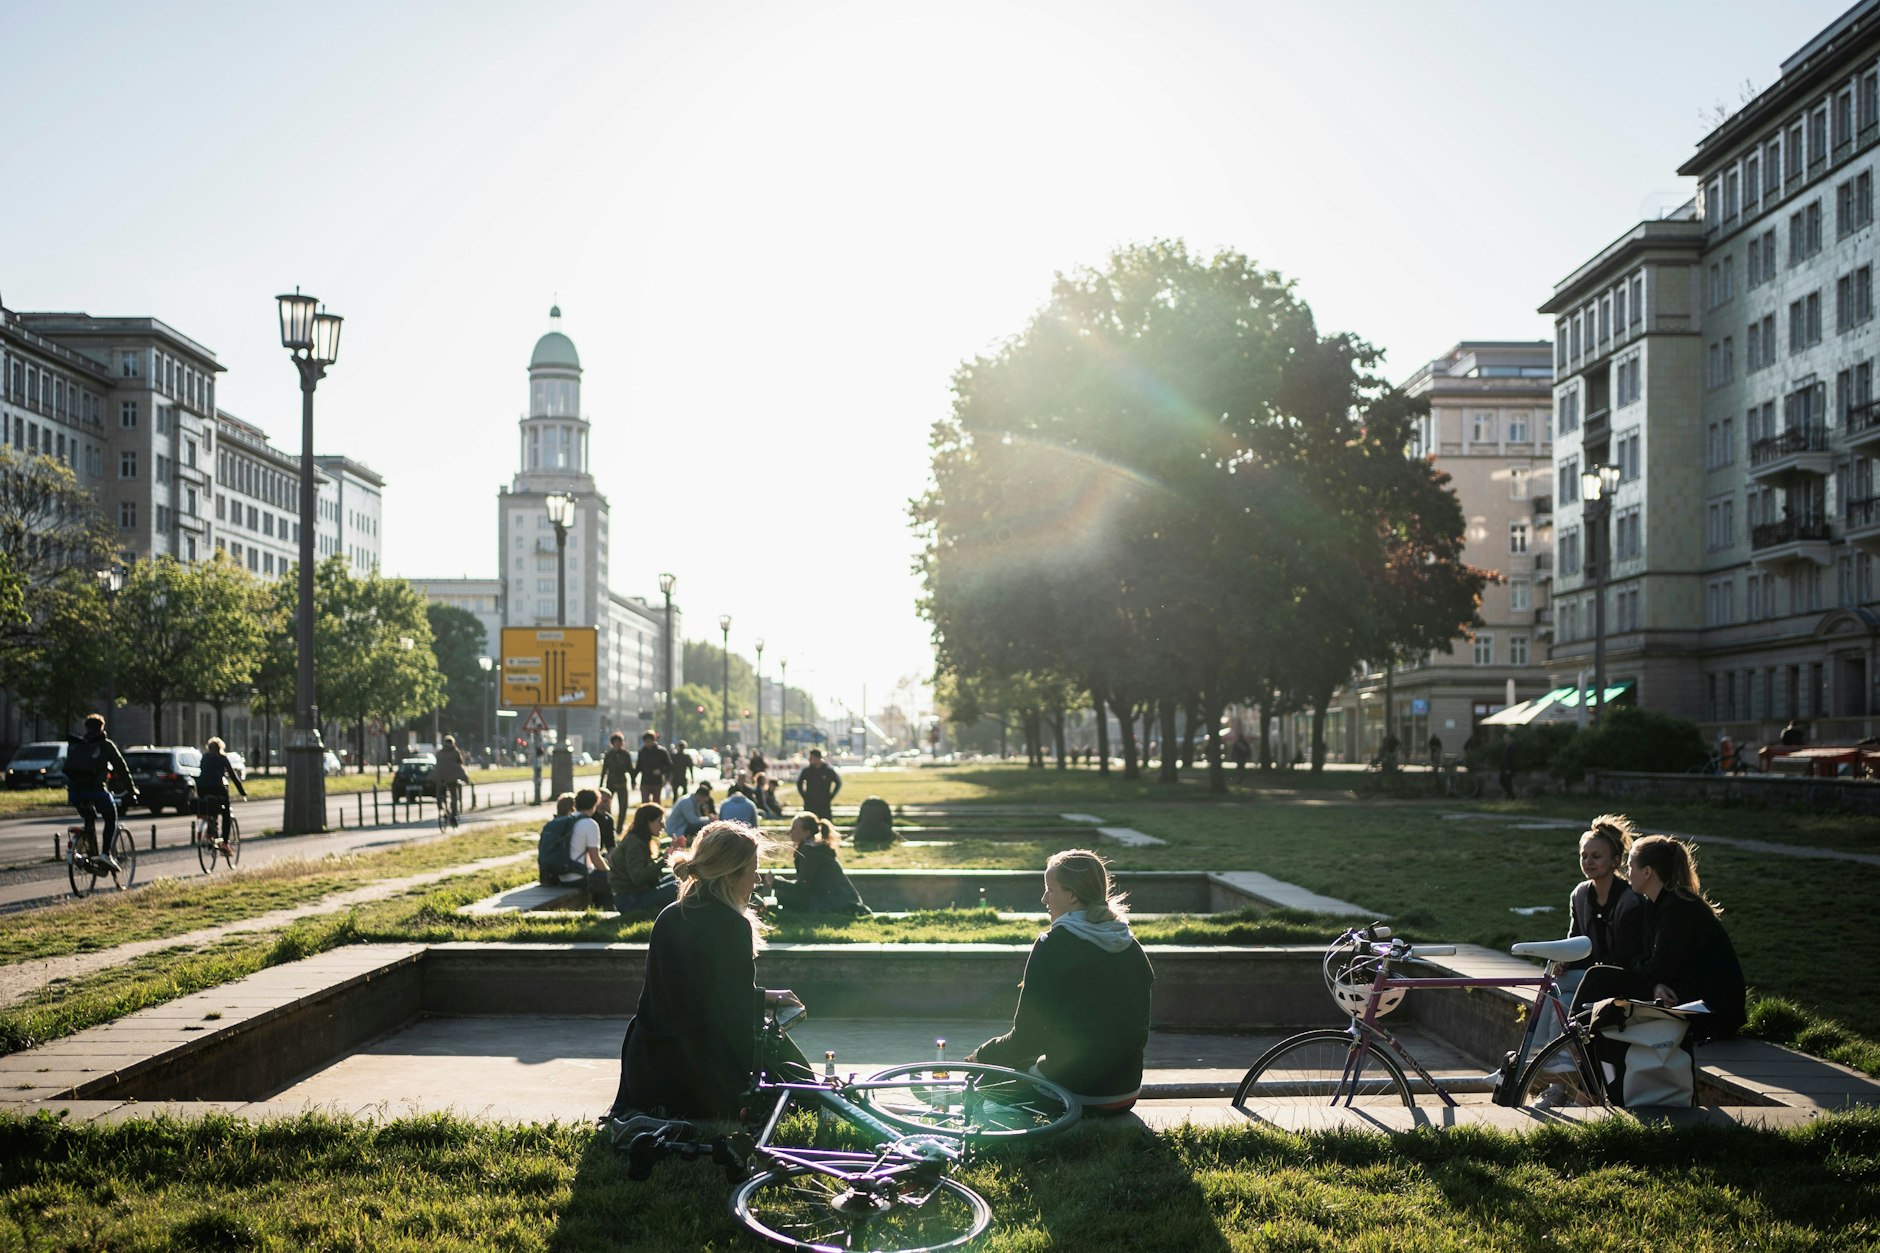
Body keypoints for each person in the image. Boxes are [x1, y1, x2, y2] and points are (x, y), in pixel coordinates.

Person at [608, 821, 805, 1125]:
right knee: (779, 1049)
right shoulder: (731, 925)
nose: (756, 880)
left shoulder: (671, 915)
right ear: (730, 877)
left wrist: (766, 996)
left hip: (647, 1070)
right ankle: (819, 1097)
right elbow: (734, 1017)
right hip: (693, 1079)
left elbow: (697, 996)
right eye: (752, 871)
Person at [967, 850, 1153, 1114]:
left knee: (982, 1081)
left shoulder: (1053, 946)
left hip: (1076, 1095)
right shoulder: (1130, 944)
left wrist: (981, 1056)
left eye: (1050, 890)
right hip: (1124, 1092)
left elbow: (1026, 1039)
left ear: (1072, 895)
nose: (1044, 898)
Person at [1620, 835, 1747, 1042]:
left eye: (1630, 867)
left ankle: (1577, 1053)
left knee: (1608, 984)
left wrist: (1654, 981)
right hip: (1683, 995)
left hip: (1711, 1011)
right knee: (1607, 983)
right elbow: (1645, 957)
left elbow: (1662, 965)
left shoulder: (1679, 908)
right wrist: (1655, 984)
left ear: (1647, 872)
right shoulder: (1655, 904)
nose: (1627, 874)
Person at [64, 713, 137, 872]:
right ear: (102, 728)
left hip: (75, 793)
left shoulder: (75, 744)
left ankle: (86, 852)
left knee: (89, 818)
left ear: (86, 728)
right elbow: (121, 769)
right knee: (110, 816)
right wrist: (132, 790)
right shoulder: (106, 745)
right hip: (96, 791)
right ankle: (105, 854)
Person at [768, 815, 869, 915]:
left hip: (832, 902)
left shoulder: (809, 852)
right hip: (841, 899)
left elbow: (802, 886)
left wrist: (776, 882)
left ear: (807, 832)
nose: (790, 832)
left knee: (783, 894)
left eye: (794, 829)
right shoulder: (814, 849)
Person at [536, 790, 611, 907]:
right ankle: (609, 912)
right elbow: (596, 859)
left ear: (575, 804)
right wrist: (609, 873)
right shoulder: (590, 824)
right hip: (580, 877)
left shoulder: (565, 821)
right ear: (595, 804)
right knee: (611, 880)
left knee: (602, 879)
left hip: (562, 876)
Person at [609, 802, 680, 914]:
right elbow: (638, 877)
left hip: (636, 894)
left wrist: (668, 855)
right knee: (681, 886)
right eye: (659, 821)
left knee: (680, 878)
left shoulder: (639, 840)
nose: (663, 825)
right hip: (630, 900)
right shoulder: (635, 844)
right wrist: (664, 860)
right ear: (648, 822)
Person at [196, 736, 247, 848]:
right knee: (226, 813)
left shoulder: (204, 757)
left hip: (202, 788)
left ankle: (210, 835)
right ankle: (224, 842)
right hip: (217, 788)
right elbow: (233, 776)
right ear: (220, 748)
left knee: (211, 810)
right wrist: (242, 792)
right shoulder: (223, 758)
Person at [796, 748, 842, 820]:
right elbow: (799, 783)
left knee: (825, 823)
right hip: (810, 802)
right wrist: (804, 795)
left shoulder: (828, 770)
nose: (809, 760)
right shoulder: (807, 771)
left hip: (824, 802)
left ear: (818, 758)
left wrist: (831, 796)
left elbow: (838, 782)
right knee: (808, 823)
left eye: (812, 758)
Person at [433, 735, 469, 823]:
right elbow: (460, 763)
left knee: (439, 794)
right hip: (451, 778)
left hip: (440, 777)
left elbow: (437, 763)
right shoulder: (455, 751)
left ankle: (441, 808)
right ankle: (453, 815)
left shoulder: (440, 752)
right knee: (454, 796)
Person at [635, 732, 671, 805]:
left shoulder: (661, 751)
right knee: (645, 803)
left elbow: (669, 766)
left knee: (656, 803)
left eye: (650, 740)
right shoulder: (642, 752)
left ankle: (657, 816)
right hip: (645, 781)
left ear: (654, 740)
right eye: (646, 741)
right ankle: (646, 816)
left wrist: (661, 771)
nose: (648, 743)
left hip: (657, 781)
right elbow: (638, 767)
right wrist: (633, 779)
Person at [601, 732, 635, 801]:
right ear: (612, 743)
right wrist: (601, 784)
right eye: (616, 742)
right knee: (607, 803)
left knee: (623, 804)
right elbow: (604, 770)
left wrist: (633, 781)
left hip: (622, 782)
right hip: (611, 782)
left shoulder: (626, 754)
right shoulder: (608, 755)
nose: (618, 744)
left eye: (619, 742)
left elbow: (630, 769)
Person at [594, 788, 618, 853]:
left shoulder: (608, 819)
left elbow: (611, 844)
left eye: (608, 801)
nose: (606, 804)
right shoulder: (590, 818)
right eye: (603, 801)